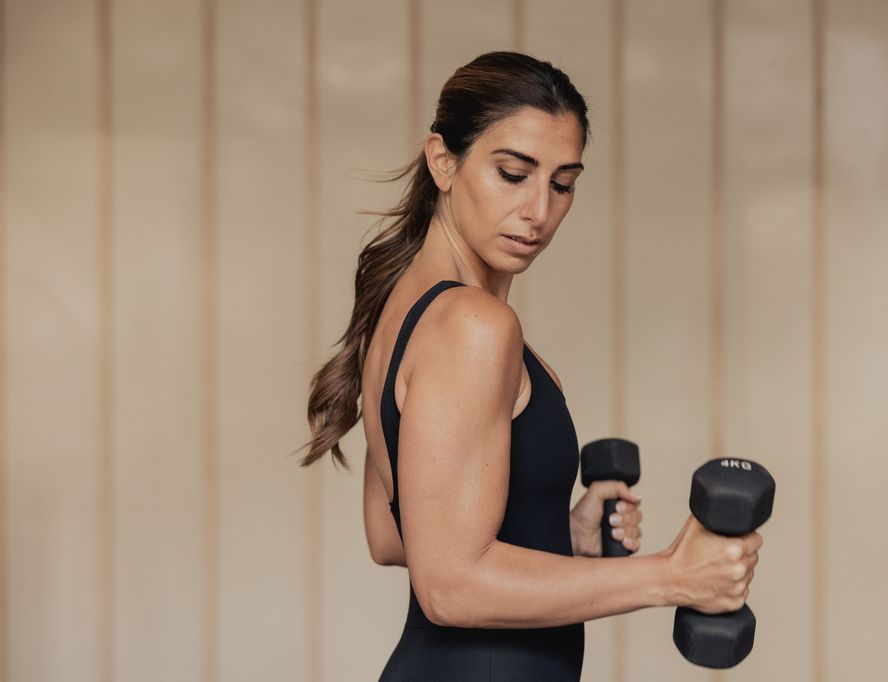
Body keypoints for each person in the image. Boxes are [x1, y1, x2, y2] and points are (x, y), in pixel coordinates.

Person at [301, 51, 762, 681]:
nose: (538, 210)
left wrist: (558, 536)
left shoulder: (404, 310)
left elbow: (392, 534)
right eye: (513, 173)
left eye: (563, 182)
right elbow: (451, 588)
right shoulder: (473, 326)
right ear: (443, 161)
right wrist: (672, 576)